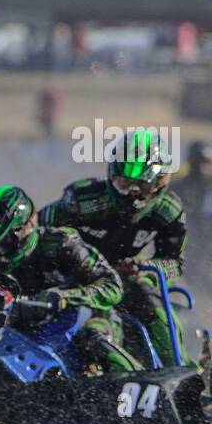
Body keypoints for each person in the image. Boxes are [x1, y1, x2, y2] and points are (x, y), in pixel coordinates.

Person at [39, 128, 189, 366]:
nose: (132, 193)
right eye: (124, 183)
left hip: (121, 282)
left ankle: (183, 373)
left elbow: (175, 263)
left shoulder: (168, 211)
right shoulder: (81, 199)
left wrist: (146, 270)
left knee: (147, 295)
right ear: (111, 175)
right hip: (68, 279)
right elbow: (34, 232)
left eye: (141, 184)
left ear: (161, 182)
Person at [0, 184, 132, 374]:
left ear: (24, 230)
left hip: (90, 319)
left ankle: (141, 384)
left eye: (0, 243)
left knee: (93, 338)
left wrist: (64, 296)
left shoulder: (62, 243)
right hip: (30, 336)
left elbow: (113, 285)